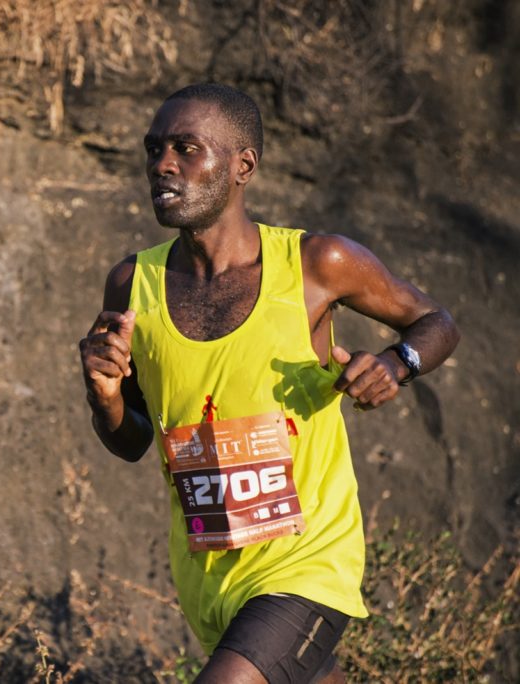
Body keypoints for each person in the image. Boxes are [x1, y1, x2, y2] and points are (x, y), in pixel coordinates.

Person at [78, 83, 460, 683]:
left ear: (242, 166)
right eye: (154, 150)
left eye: (186, 148)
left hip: (306, 565)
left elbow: (436, 321)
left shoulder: (315, 264)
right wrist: (103, 400)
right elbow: (132, 440)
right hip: (212, 583)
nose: (163, 165)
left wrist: (397, 364)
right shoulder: (132, 284)